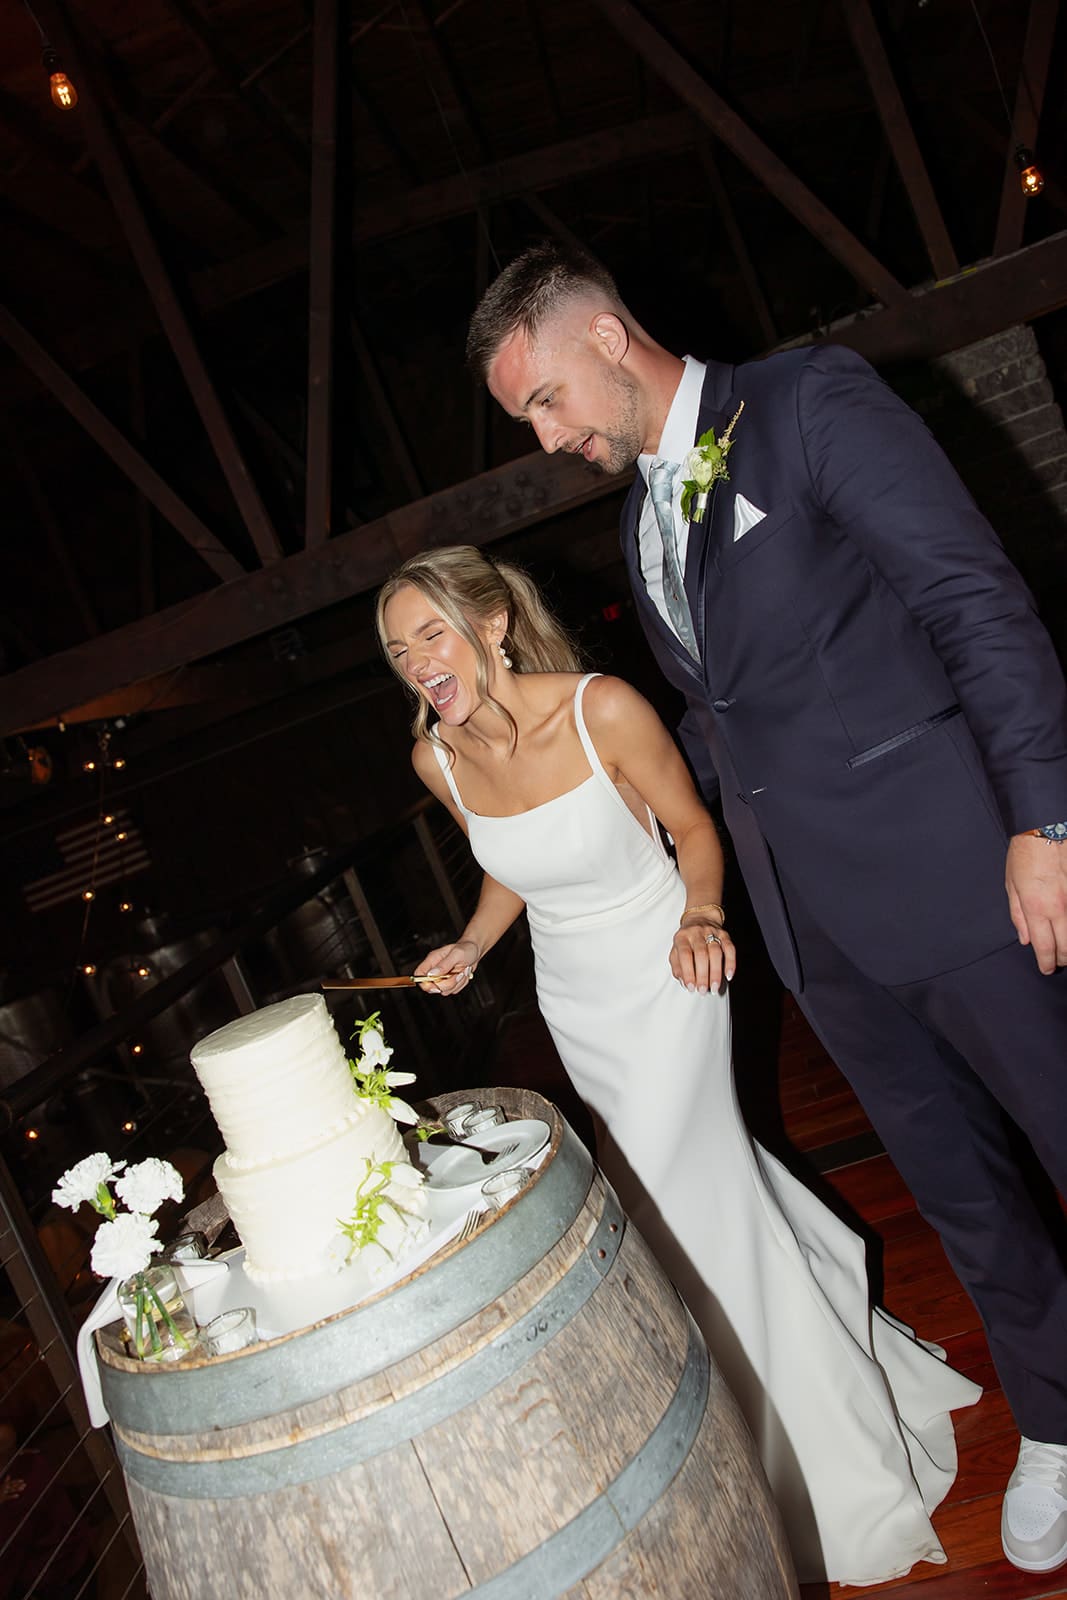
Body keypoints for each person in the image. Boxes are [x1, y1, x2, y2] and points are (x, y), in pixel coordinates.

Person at [466, 240, 1067, 1578]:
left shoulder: (807, 406)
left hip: (957, 866)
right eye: (531, 422)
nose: (549, 436)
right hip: (813, 927)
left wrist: (1042, 819)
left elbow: (969, 599)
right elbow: (720, 716)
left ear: (610, 336)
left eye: (548, 399)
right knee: (959, 1196)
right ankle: (1057, 1418)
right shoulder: (637, 517)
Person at [377, 544, 980, 1586]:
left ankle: (799, 1462)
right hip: (576, 997)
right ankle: (783, 1375)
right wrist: (472, 944)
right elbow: (506, 868)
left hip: (668, 963)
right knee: (700, 1197)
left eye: (431, 629)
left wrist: (701, 910)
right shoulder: (436, 758)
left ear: (491, 626)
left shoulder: (600, 708)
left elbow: (695, 830)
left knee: (682, 1205)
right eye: (398, 648)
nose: (418, 659)